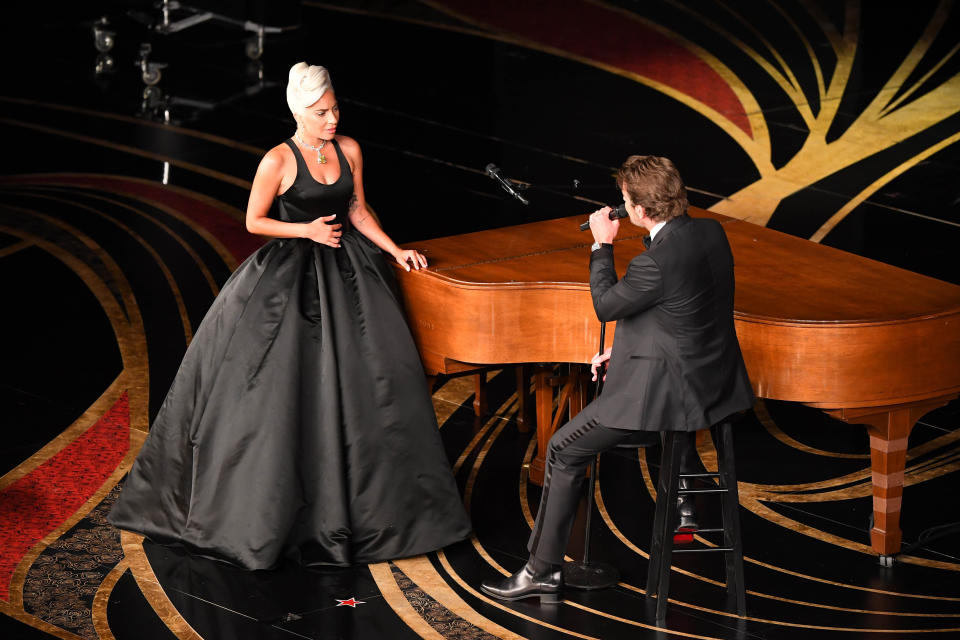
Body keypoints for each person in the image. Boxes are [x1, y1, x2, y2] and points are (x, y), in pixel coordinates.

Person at [109, 62, 471, 570]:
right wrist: (307, 232)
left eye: (336, 108)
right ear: (299, 111)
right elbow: (254, 221)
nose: (332, 118)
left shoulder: (349, 149)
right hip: (291, 279)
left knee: (377, 382)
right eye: (322, 112)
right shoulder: (277, 160)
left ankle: (377, 506)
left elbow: (359, 211)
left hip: (350, 276)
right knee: (283, 389)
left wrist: (395, 250)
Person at [481, 155, 754, 603]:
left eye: (626, 202)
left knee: (562, 448)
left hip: (667, 397)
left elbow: (606, 305)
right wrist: (621, 351)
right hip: (714, 381)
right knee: (568, 446)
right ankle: (543, 568)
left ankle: (540, 570)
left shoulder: (656, 261)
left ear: (641, 212)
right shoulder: (709, 231)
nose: (622, 209)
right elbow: (684, 312)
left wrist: (601, 247)